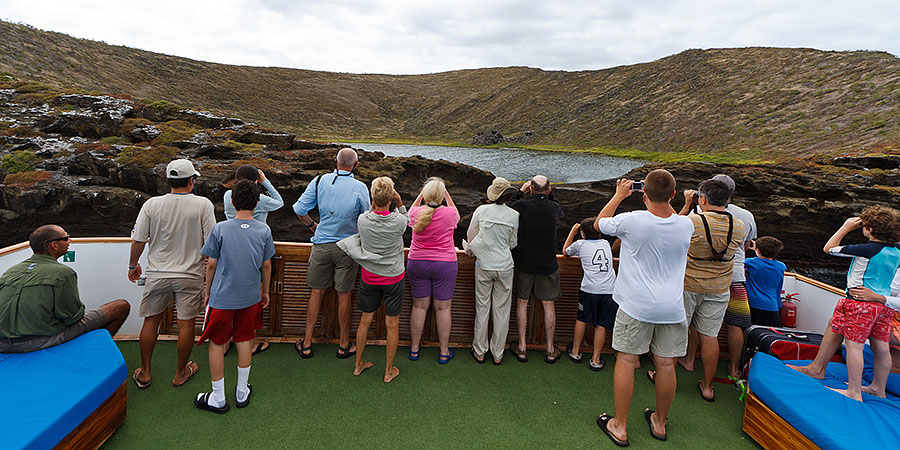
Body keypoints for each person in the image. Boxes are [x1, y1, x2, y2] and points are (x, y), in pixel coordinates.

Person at [593, 170, 694, 446]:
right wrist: (662, 194)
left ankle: (620, 426)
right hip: (672, 307)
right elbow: (670, 213)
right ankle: (659, 423)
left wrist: (619, 195)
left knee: (626, 361)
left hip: (636, 305)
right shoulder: (686, 226)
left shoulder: (632, 221)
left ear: (644, 194)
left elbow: (600, 224)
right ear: (673, 195)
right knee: (666, 364)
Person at [790, 206, 900, 401]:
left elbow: (829, 248)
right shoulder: (896, 251)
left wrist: (845, 227)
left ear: (871, 230)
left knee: (854, 346)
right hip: (883, 307)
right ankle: (877, 389)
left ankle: (854, 391)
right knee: (881, 348)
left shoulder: (866, 250)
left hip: (859, 303)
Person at [128, 159, 216, 388]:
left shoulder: (152, 204)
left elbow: (139, 239)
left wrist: (132, 265)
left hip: (158, 273)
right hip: (190, 274)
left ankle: (145, 372)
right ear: (191, 181)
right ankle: (180, 373)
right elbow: (212, 242)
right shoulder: (203, 205)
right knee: (186, 324)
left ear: (167, 181)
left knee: (151, 320)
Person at [194, 181, 275, 413]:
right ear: (257, 203)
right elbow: (266, 265)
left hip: (222, 297)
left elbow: (211, 264)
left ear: (231, 201)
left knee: (217, 343)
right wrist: (265, 291)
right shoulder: (264, 230)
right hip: (250, 296)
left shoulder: (220, 229)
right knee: (244, 339)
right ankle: (241, 391)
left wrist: (208, 291)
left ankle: (218, 397)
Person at [0, 225, 130, 353]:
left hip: (3, 343)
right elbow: (72, 317)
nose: (70, 241)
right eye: (66, 238)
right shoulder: (63, 273)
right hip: (39, 341)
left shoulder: (11, 271)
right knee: (121, 307)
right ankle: (92, 353)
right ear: (54, 245)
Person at [672, 179, 746, 402]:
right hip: (719, 287)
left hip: (689, 284)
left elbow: (672, 228)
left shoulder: (692, 222)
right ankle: (707, 386)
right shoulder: (739, 226)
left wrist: (686, 203)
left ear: (701, 199)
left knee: (676, 332)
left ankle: (665, 375)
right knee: (710, 337)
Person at [292, 148, 370, 359]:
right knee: (343, 294)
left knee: (316, 292)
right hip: (347, 247)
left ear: (335, 161)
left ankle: (307, 343)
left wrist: (312, 226)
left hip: (322, 245)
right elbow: (366, 219)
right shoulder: (360, 187)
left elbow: (299, 209)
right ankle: (344, 344)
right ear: (356, 165)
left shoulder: (320, 181)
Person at [337, 177, 407, 383]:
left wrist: (375, 201)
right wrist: (400, 204)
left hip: (370, 276)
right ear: (392, 197)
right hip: (393, 277)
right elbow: (407, 220)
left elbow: (370, 211)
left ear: (373, 198)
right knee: (392, 324)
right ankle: (388, 371)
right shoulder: (399, 221)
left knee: (365, 320)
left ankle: (358, 364)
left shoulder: (363, 220)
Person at [222, 165, 283, 356]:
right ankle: (248, 341)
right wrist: (265, 182)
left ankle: (225, 341)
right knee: (251, 301)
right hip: (253, 251)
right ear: (255, 181)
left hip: (230, 250)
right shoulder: (260, 200)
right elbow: (279, 202)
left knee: (229, 298)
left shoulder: (227, 197)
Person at [509, 175, 565, 363]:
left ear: (531, 189)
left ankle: (523, 347)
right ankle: (549, 349)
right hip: (547, 263)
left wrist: (521, 191)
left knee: (522, 303)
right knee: (548, 304)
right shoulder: (554, 208)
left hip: (524, 261)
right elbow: (557, 205)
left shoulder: (521, 206)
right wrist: (549, 193)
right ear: (548, 190)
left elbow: (509, 206)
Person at [466, 177, 519, 365]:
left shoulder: (481, 210)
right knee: (501, 311)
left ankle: (479, 351)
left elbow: (471, 235)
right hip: (505, 265)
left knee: (482, 308)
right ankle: (498, 354)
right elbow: (513, 242)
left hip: (484, 264)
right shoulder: (514, 215)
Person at [407, 177, 460, 364]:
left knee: (419, 306)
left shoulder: (416, 213)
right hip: (444, 265)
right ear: (442, 196)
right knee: (443, 308)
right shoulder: (449, 214)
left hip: (418, 262)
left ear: (424, 195)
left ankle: (414, 348)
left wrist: (422, 195)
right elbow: (457, 216)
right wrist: (446, 195)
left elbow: (409, 213)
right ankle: (444, 351)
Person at [563, 217, 617, 371]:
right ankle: (596, 359)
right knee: (602, 325)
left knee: (582, 319)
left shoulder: (581, 244)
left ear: (582, 233)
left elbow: (565, 251)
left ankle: (575, 351)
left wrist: (572, 233)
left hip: (590, 289)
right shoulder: (606, 243)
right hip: (610, 290)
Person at [745, 236, 787, 327]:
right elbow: (778, 288)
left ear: (758, 251)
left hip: (753, 305)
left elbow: (738, 261)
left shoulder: (750, 263)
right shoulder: (781, 267)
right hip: (772, 306)